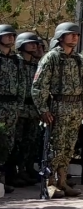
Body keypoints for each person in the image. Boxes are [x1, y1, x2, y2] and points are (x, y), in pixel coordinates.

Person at [31, 22, 83, 199]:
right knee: (54, 147)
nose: (75, 37)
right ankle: (50, 183)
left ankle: (63, 181)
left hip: (75, 108)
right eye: (70, 34)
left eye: (77, 35)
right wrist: (43, 108)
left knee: (68, 147)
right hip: (58, 106)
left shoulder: (79, 59)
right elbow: (39, 85)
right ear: (61, 37)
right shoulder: (51, 58)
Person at [8, 32, 43, 187]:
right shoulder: (16, 62)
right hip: (20, 107)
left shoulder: (37, 64)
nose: (34, 46)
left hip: (32, 108)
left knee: (31, 141)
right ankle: (14, 172)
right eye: (31, 43)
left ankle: (26, 169)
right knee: (17, 141)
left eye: (35, 43)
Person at [0, 24, 23, 193]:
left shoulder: (17, 60)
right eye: (7, 35)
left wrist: (19, 106)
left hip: (12, 107)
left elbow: (22, 84)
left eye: (13, 36)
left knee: (9, 144)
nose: (11, 38)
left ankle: (5, 180)